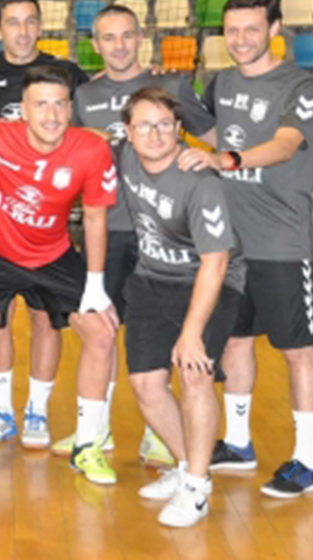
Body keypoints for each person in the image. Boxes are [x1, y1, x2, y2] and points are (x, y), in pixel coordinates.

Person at [180, 0, 313, 498]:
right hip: (231, 248)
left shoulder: (301, 84)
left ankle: (306, 463)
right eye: (233, 30)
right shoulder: (221, 82)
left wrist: (230, 160)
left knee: (297, 350)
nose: (240, 40)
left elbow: (285, 145)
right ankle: (238, 444)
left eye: (251, 29)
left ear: (274, 29)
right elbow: (221, 132)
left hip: (279, 242)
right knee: (237, 342)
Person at [66, 3, 215, 466]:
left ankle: (160, 431)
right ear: (95, 46)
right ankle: (99, 428)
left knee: (167, 330)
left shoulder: (168, 86)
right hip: (107, 231)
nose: (119, 45)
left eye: (127, 35)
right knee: (103, 332)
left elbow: (212, 135)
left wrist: (209, 158)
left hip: (167, 235)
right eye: (109, 38)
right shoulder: (82, 97)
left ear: (140, 38)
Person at [0, 66, 121, 485]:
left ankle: (88, 444)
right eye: (41, 105)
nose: (51, 115)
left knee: (102, 331)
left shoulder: (90, 149)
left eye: (59, 104)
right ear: (23, 111)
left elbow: (94, 218)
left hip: (52, 253)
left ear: (71, 108)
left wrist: (95, 285)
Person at [0, 0, 90, 448]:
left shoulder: (66, 73)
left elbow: (85, 127)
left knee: (44, 318)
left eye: (30, 21)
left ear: (40, 25)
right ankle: (0, 409)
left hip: (46, 222)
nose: (22, 30)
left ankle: (37, 410)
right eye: (12, 22)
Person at [118, 88, 244, 527]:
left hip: (211, 282)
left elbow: (216, 261)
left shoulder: (198, 181)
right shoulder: (124, 156)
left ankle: (196, 485)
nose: (154, 134)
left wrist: (191, 334)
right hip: (152, 279)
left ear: (178, 129)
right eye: (144, 125)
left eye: (164, 124)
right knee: (146, 384)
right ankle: (188, 467)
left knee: (194, 375)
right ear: (128, 132)